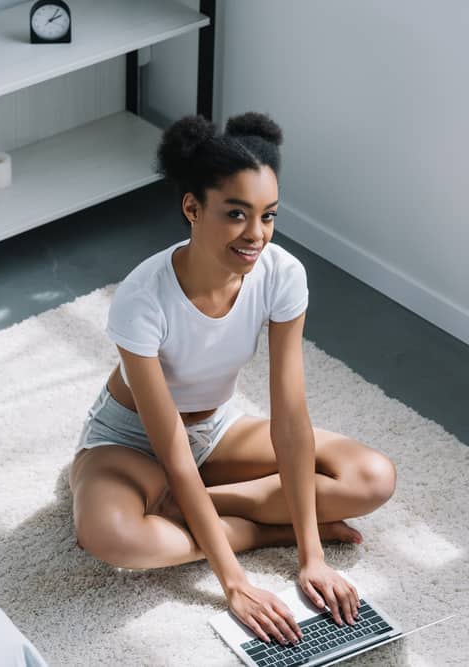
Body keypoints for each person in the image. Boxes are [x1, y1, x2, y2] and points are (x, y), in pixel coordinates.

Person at [68, 111, 397, 646]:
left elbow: (290, 415)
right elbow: (170, 446)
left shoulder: (282, 274)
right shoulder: (141, 298)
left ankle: (189, 509)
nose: (256, 235)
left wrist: (312, 558)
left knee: (371, 477)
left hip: (218, 429)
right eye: (237, 214)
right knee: (109, 536)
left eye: (268, 215)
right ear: (192, 208)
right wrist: (235, 581)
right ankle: (263, 529)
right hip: (133, 442)